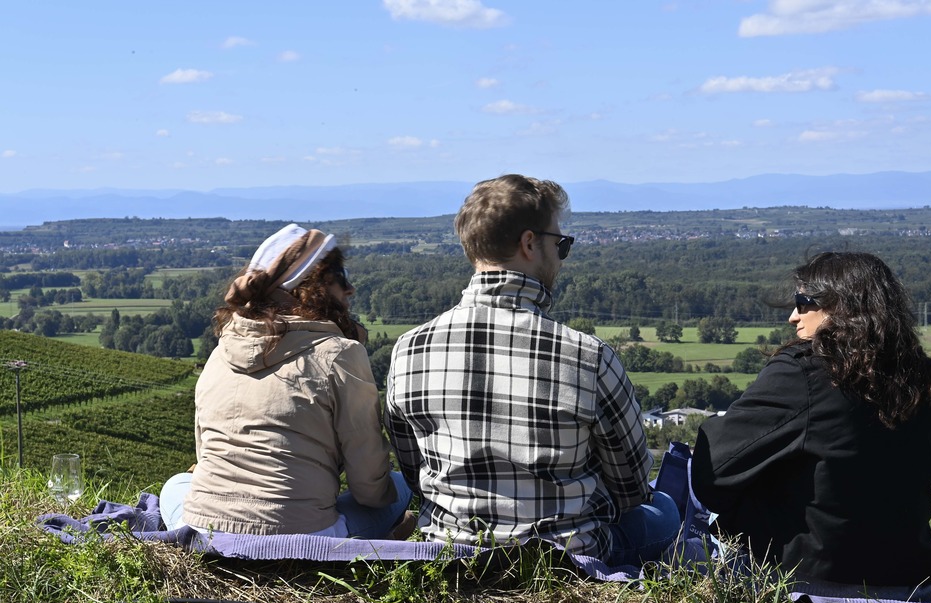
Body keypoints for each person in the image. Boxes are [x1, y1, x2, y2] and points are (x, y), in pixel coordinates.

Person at [384, 174, 679, 566]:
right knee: (665, 512)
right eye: (560, 244)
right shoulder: (588, 356)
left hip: (449, 551)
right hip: (564, 559)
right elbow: (631, 488)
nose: (560, 256)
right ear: (528, 244)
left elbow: (413, 470)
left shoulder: (409, 349)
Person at [691, 251, 931, 596]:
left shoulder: (803, 372)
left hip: (809, 577)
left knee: (667, 510)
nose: (793, 317)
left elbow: (713, 471)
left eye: (803, 303)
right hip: (913, 579)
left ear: (840, 306)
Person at [160, 224, 413, 540]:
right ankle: (374, 539)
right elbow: (369, 489)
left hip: (205, 534)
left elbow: (204, 455)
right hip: (299, 538)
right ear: (309, 289)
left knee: (175, 486)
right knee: (402, 485)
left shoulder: (219, 352)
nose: (351, 289)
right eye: (340, 277)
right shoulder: (341, 354)